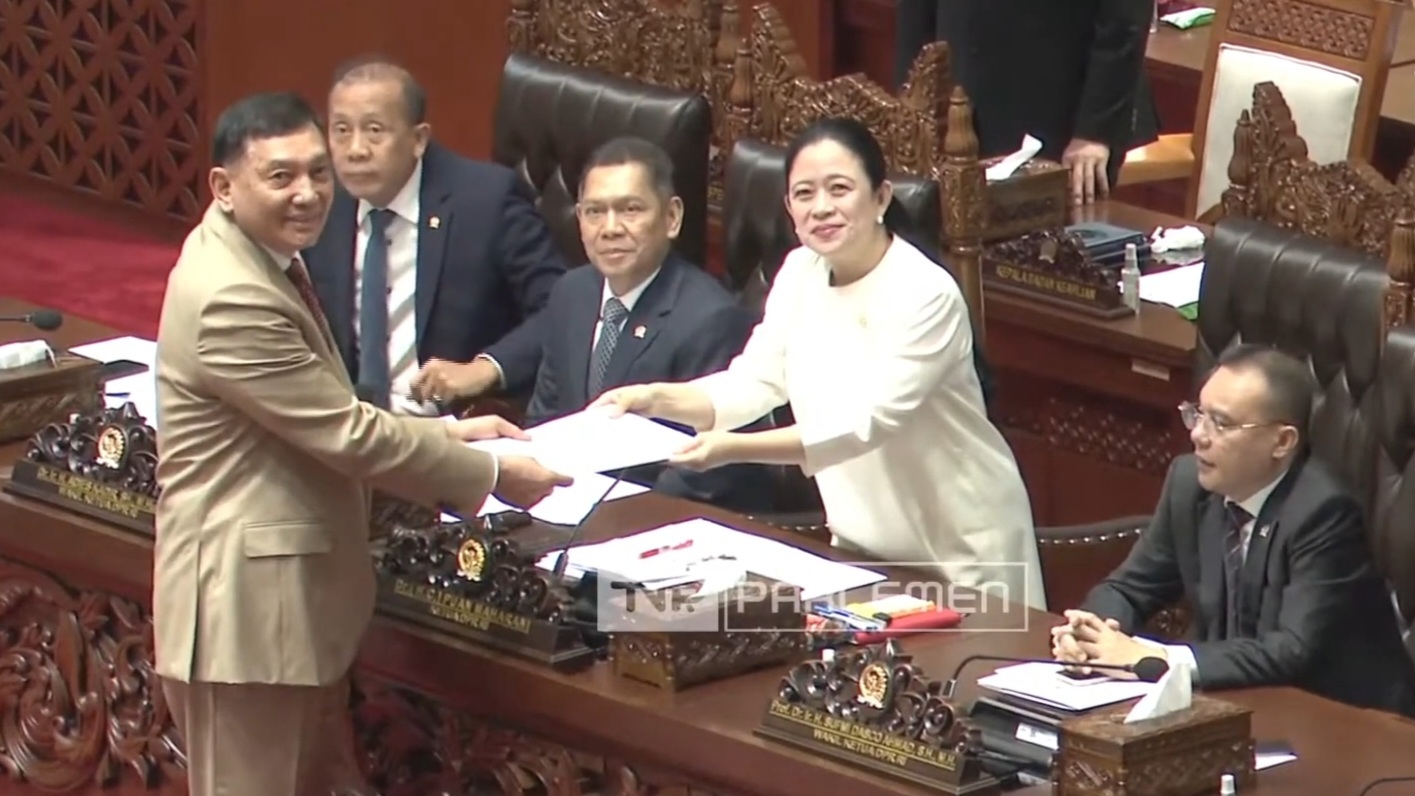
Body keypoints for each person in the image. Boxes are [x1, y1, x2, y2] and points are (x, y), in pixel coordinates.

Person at [152, 91, 572, 796]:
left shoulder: (253, 251)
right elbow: (345, 433)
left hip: (284, 618)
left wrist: (445, 429)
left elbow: (323, 412)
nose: (309, 193)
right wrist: (490, 471)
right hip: (245, 624)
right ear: (223, 187)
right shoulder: (230, 295)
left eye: (318, 172)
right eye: (281, 176)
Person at [594, 117, 1046, 610]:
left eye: (839, 189)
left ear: (881, 197)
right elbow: (754, 382)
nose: (822, 207)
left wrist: (731, 448)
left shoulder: (925, 293)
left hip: (962, 547)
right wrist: (653, 398)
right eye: (804, 194)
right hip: (863, 540)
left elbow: (863, 424)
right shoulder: (800, 272)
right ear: (789, 208)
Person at [1052, 345, 1415, 717]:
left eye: (1221, 424)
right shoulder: (1188, 485)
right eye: (1198, 415)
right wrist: (1094, 636)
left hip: (1344, 720)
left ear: (1282, 442)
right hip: (1233, 702)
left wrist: (1155, 657)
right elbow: (1129, 588)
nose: (1199, 435)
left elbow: (1290, 650)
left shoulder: (1323, 513)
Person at [443, 136, 771, 513]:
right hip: (559, 508)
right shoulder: (571, 293)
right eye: (594, 212)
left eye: (630, 210)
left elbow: (705, 474)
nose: (610, 228)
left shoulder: (710, 319)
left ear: (671, 217)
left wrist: (599, 518)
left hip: (650, 519)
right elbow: (547, 418)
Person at [302, 54, 567, 412]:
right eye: (341, 130)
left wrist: (485, 368)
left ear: (418, 139)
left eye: (375, 131)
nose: (356, 150)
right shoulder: (320, 203)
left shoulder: (485, 202)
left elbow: (564, 310)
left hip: (453, 422)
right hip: (349, 425)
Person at [894, 0, 1159, 204]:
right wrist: (910, 104)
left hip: (1064, 114)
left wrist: (1095, 131)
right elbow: (915, 14)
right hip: (959, 95)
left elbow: (1124, 21)